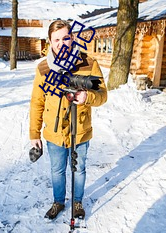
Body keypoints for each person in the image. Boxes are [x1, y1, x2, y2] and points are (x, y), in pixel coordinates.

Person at [29, 20, 107, 220]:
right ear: (50, 41)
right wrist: (34, 134)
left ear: (72, 38)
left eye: (66, 38)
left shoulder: (89, 63)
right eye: (57, 39)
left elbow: (103, 95)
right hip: (54, 132)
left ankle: (78, 202)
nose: (61, 43)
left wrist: (87, 97)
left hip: (80, 129)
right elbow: (37, 102)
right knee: (57, 170)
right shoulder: (43, 68)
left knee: (79, 168)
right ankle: (58, 202)